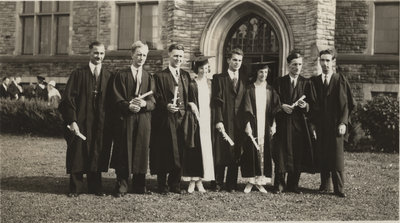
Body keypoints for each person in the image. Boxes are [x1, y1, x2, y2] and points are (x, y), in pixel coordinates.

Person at [58, 41, 113, 197]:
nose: (99, 56)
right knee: (78, 153)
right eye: (96, 53)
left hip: (100, 122)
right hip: (81, 121)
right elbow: (68, 100)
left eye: (102, 53)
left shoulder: (109, 76)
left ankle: (95, 187)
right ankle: (75, 188)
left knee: (97, 151)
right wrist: (72, 121)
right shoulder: (78, 74)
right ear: (90, 53)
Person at [111, 41, 155, 197]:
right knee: (124, 150)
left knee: (141, 151)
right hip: (127, 118)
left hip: (143, 119)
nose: (141, 58)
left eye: (144, 55)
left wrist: (144, 103)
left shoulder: (148, 76)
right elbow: (116, 98)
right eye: (139, 54)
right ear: (132, 55)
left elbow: (153, 101)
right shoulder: (121, 75)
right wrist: (127, 106)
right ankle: (122, 185)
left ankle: (139, 185)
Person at [310, 49, 354, 198]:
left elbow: (346, 104)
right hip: (321, 125)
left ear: (333, 62)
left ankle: (339, 188)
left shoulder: (340, 79)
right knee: (323, 154)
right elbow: (312, 105)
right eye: (322, 60)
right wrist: (313, 125)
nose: (325, 64)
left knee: (336, 156)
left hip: (336, 125)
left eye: (328, 60)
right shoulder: (314, 81)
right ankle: (324, 185)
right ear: (319, 62)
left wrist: (343, 122)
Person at [150, 43, 192, 195]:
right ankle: (162, 185)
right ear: (169, 55)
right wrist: (165, 105)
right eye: (175, 56)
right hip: (165, 120)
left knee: (180, 151)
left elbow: (189, 97)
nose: (178, 59)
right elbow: (155, 97)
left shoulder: (185, 76)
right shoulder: (160, 76)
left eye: (181, 56)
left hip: (182, 119)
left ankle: (175, 183)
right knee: (164, 151)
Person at [272, 50, 316, 194]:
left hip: (299, 125)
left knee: (297, 154)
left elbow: (312, 104)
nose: (297, 67)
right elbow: (273, 101)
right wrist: (281, 106)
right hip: (283, 124)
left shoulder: (306, 83)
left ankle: (293, 185)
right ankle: (279, 184)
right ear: (288, 65)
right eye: (294, 64)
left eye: (299, 64)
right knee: (281, 155)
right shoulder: (279, 82)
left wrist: (306, 106)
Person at [211, 48, 247, 192]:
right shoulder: (219, 78)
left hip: (239, 122)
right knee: (221, 151)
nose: (237, 63)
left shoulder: (244, 79)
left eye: (239, 60)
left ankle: (231, 183)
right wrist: (218, 120)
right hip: (224, 119)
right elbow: (216, 101)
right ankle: (218, 182)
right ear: (228, 60)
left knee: (236, 152)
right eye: (234, 60)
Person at [241, 64, 279, 194]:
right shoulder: (250, 89)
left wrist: (274, 125)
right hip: (253, 124)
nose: (263, 75)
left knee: (264, 152)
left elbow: (275, 109)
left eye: (266, 72)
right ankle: (251, 181)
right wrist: (247, 125)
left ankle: (260, 181)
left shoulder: (270, 90)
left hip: (266, 125)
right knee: (252, 152)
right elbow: (245, 109)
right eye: (261, 72)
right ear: (256, 73)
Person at [182, 56, 215, 193]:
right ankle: (192, 180)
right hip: (195, 120)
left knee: (205, 150)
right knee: (194, 150)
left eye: (206, 68)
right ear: (197, 69)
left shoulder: (210, 83)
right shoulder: (192, 84)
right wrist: (191, 104)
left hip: (208, 120)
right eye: (201, 68)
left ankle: (200, 180)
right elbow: (187, 100)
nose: (203, 70)